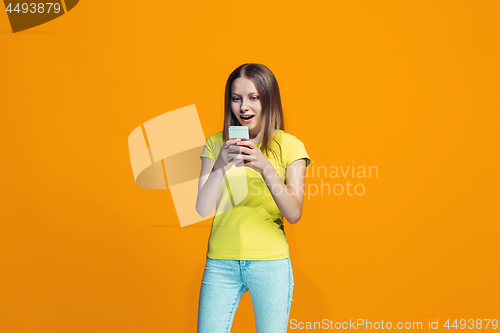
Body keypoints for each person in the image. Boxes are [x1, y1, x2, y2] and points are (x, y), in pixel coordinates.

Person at [196, 63, 311, 333]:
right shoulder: (215, 144)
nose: (244, 107)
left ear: (268, 99)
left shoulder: (290, 146)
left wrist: (265, 167)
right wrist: (220, 166)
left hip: (270, 263)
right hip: (221, 261)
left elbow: (294, 213)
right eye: (236, 99)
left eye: (253, 97)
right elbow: (202, 208)